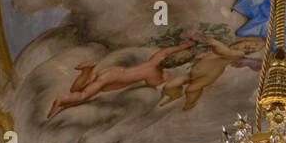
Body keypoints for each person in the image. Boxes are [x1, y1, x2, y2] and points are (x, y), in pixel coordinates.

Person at [47, 41, 195, 119]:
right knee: (82, 96)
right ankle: (61, 101)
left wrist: (182, 46)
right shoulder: (155, 73)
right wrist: (165, 77)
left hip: (113, 71)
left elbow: (167, 50)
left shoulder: (156, 58)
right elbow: (153, 84)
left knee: (76, 89)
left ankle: (88, 71)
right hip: (113, 79)